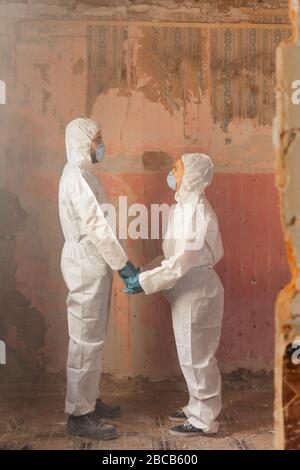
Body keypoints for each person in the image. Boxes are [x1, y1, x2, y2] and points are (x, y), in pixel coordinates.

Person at [124, 153, 224, 437]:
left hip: (196, 287)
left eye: (177, 168)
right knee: (191, 352)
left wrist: (144, 280)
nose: (172, 172)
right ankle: (197, 405)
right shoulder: (184, 207)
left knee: (197, 355)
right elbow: (171, 255)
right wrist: (144, 270)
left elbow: (181, 262)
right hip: (187, 286)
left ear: (191, 175)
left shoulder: (195, 212)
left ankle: (204, 419)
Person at [59, 117, 138, 439]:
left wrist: (116, 261)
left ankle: (88, 400)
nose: (101, 145)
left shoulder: (86, 176)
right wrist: (124, 264)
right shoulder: (76, 178)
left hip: (94, 260)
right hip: (86, 260)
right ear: (82, 141)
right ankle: (79, 416)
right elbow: (97, 227)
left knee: (92, 336)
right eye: (97, 139)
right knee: (85, 339)